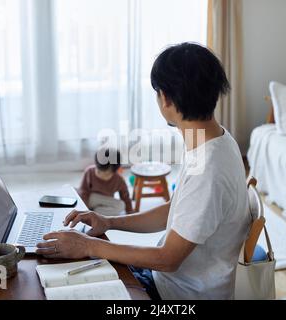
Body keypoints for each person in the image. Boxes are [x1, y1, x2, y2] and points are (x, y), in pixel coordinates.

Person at [37, 43, 251, 300]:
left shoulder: (208, 170)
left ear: (166, 98)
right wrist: (108, 222)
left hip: (177, 294)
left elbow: (168, 259)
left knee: (63, 281)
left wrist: (89, 245)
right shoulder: (217, 141)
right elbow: (176, 209)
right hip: (168, 279)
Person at [78, 148, 133, 216]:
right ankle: (91, 211)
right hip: (91, 198)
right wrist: (84, 210)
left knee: (121, 205)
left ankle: (95, 212)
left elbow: (126, 198)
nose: (102, 175)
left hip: (105, 202)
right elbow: (83, 192)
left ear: (115, 171)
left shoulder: (119, 180)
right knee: (74, 191)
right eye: (99, 171)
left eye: (107, 174)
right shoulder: (89, 172)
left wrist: (130, 214)